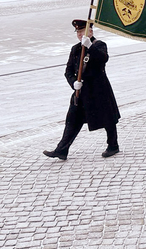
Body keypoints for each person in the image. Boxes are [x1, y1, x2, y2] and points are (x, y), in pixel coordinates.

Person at [44, 20, 120, 160]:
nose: (80, 35)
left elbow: (103, 59)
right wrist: (74, 83)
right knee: (72, 120)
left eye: (82, 32)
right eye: (78, 32)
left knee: (108, 119)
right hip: (81, 92)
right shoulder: (75, 49)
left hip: (98, 89)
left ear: (90, 32)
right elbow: (68, 71)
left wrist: (90, 46)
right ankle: (62, 150)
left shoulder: (99, 45)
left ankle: (113, 146)